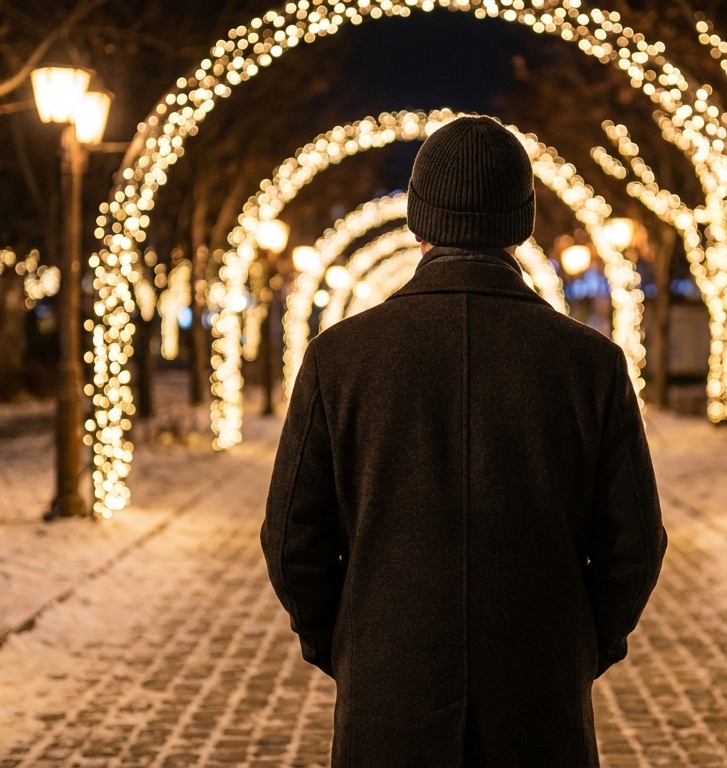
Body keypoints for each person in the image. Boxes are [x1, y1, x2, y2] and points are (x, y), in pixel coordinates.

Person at [262, 114, 666, 767]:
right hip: (538, 700)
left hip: (388, 693)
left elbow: (291, 542)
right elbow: (635, 546)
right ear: (522, 223)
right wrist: (577, 646)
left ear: (419, 222)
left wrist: (351, 644)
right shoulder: (589, 364)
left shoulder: (341, 359)